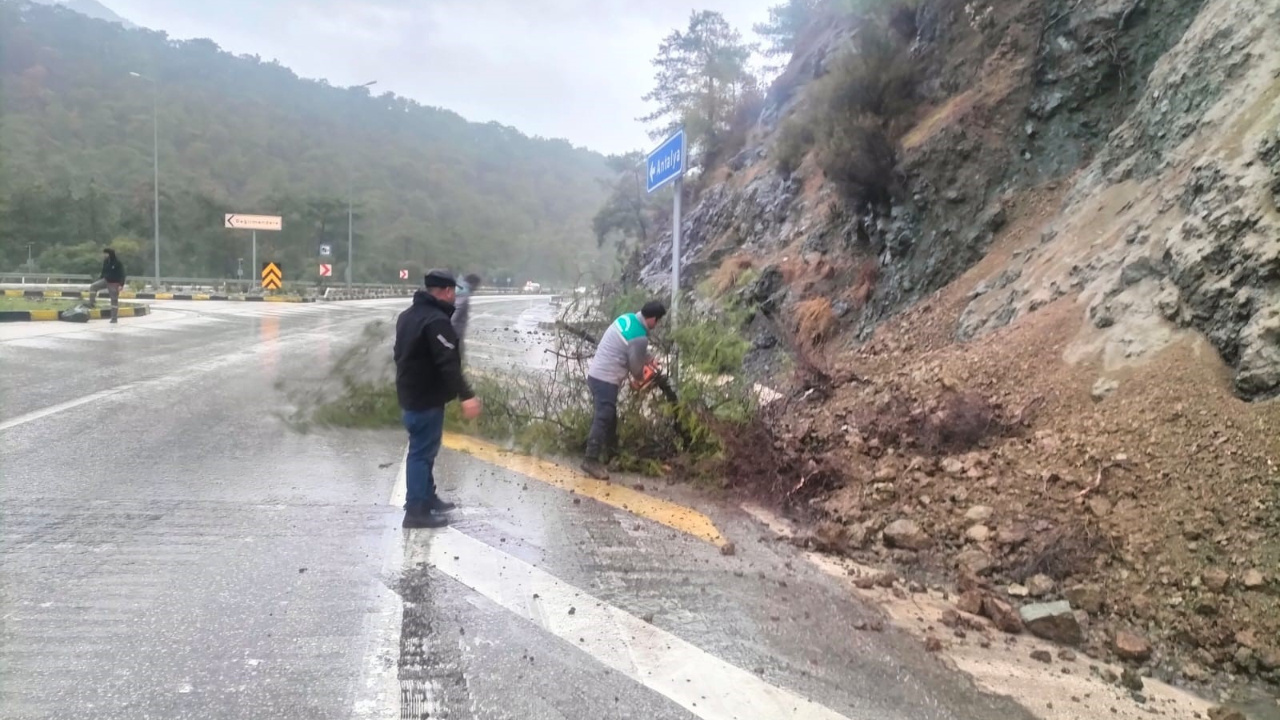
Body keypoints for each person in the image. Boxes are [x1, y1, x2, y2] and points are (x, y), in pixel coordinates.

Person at [394, 269, 483, 529]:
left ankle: (428, 497)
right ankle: (416, 511)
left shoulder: (407, 317)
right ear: (446, 291)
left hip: (411, 395)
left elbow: (398, 354)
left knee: (426, 450)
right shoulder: (436, 321)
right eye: (453, 292)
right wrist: (467, 396)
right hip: (424, 398)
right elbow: (448, 364)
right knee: (421, 453)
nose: (455, 297)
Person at [581, 300, 666, 480]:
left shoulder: (627, 318)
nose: (656, 325)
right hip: (606, 379)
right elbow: (635, 368)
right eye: (657, 321)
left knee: (610, 418)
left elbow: (631, 348)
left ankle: (611, 454)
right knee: (604, 416)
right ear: (652, 319)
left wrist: (649, 359)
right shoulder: (640, 337)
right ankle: (590, 459)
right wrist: (642, 381)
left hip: (595, 375)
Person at [86, 248, 126, 323]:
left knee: (114, 301)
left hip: (114, 283)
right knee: (93, 286)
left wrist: (121, 284)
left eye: (105, 254)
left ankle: (114, 318)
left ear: (109, 254)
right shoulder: (106, 261)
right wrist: (100, 279)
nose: (104, 255)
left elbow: (122, 274)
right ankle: (92, 303)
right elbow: (103, 271)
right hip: (106, 280)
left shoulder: (117, 263)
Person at [451, 273, 482, 356]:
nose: (476, 288)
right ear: (474, 284)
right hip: (455, 333)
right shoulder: (463, 293)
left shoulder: (458, 288)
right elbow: (455, 312)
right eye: (477, 286)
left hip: (454, 331)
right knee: (457, 357)